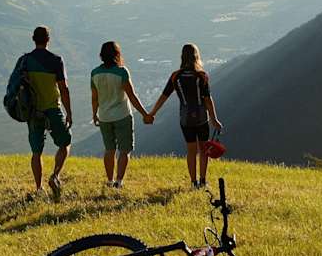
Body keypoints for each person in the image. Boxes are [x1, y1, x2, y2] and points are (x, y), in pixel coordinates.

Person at [8, 25, 72, 199]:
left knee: (36, 152)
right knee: (65, 142)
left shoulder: (25, 61)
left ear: (33, 39)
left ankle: (39, 188)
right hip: (52, 108)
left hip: (33, 111)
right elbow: (63, 89)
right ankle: (55, 175)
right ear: (48, 39)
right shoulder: (56, 60)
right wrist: (69, 112)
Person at [147, 43, 223, 188]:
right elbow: (207, 99)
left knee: (191, 150)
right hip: (201, 118)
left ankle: (193, 182)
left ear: (182, 57)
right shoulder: (202, 76)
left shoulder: (175, 76)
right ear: (197, 56)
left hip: (185, 119)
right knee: (203, 150)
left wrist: (152, 113)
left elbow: (164, 96)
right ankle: (203, 181)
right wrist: (214, 119)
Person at [90, 41, 151, 189]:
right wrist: (145, 114)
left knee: (109, 149)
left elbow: (94, 97)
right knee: (124, 150)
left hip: (104, 116)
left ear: (101, 56)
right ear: (117, 55)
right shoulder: (122, 72)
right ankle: (119, 181)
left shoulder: (95, 73)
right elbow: (132, 96)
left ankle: (109, 180)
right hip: (122, 115)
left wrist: (94, 114)